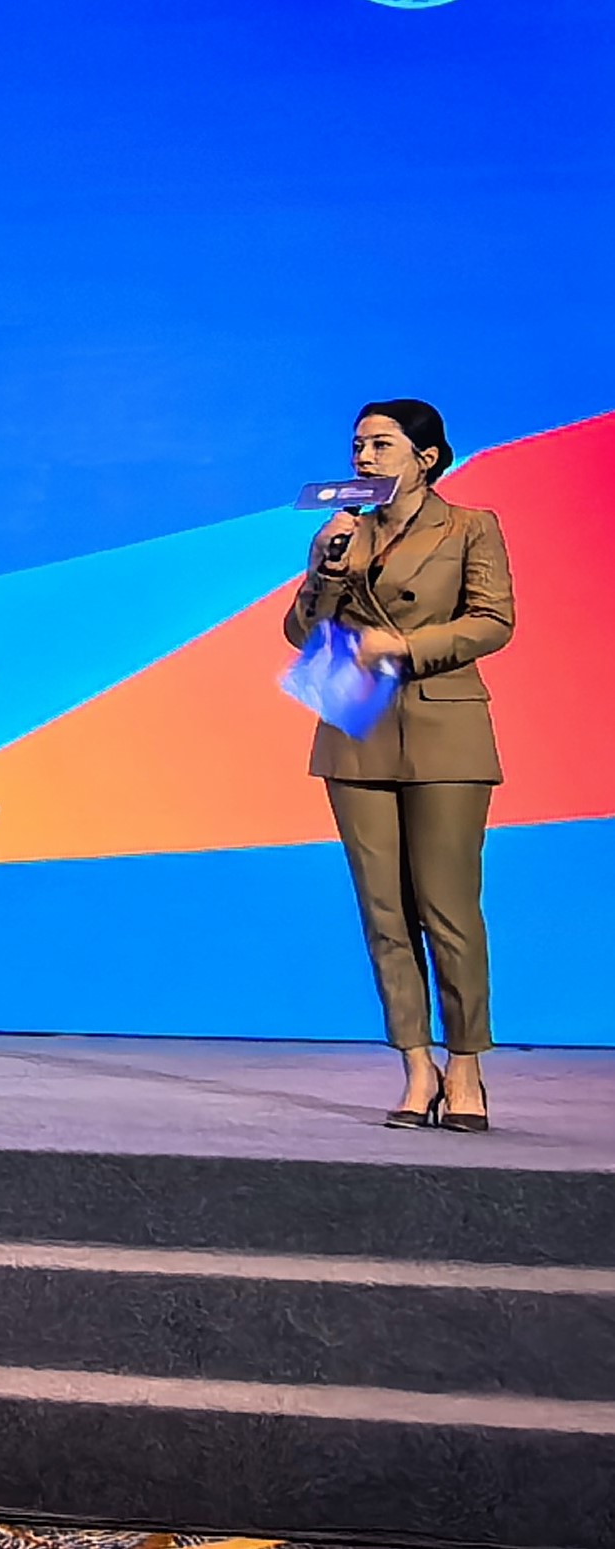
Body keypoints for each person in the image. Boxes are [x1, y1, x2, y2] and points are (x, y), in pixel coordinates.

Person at [279, 399, 513, 1131]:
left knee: (448, 907)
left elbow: (494, 619)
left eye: (382, 444)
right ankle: (416, 1065)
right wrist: (323, 567)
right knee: (384, 911)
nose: (364, 456)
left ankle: (466, 1066)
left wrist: (406, 646)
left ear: (426, 457)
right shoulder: (347, 533)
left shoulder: (469, 527)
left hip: (445, 727)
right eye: (358, 444)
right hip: (357, 728)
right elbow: (300, 632)